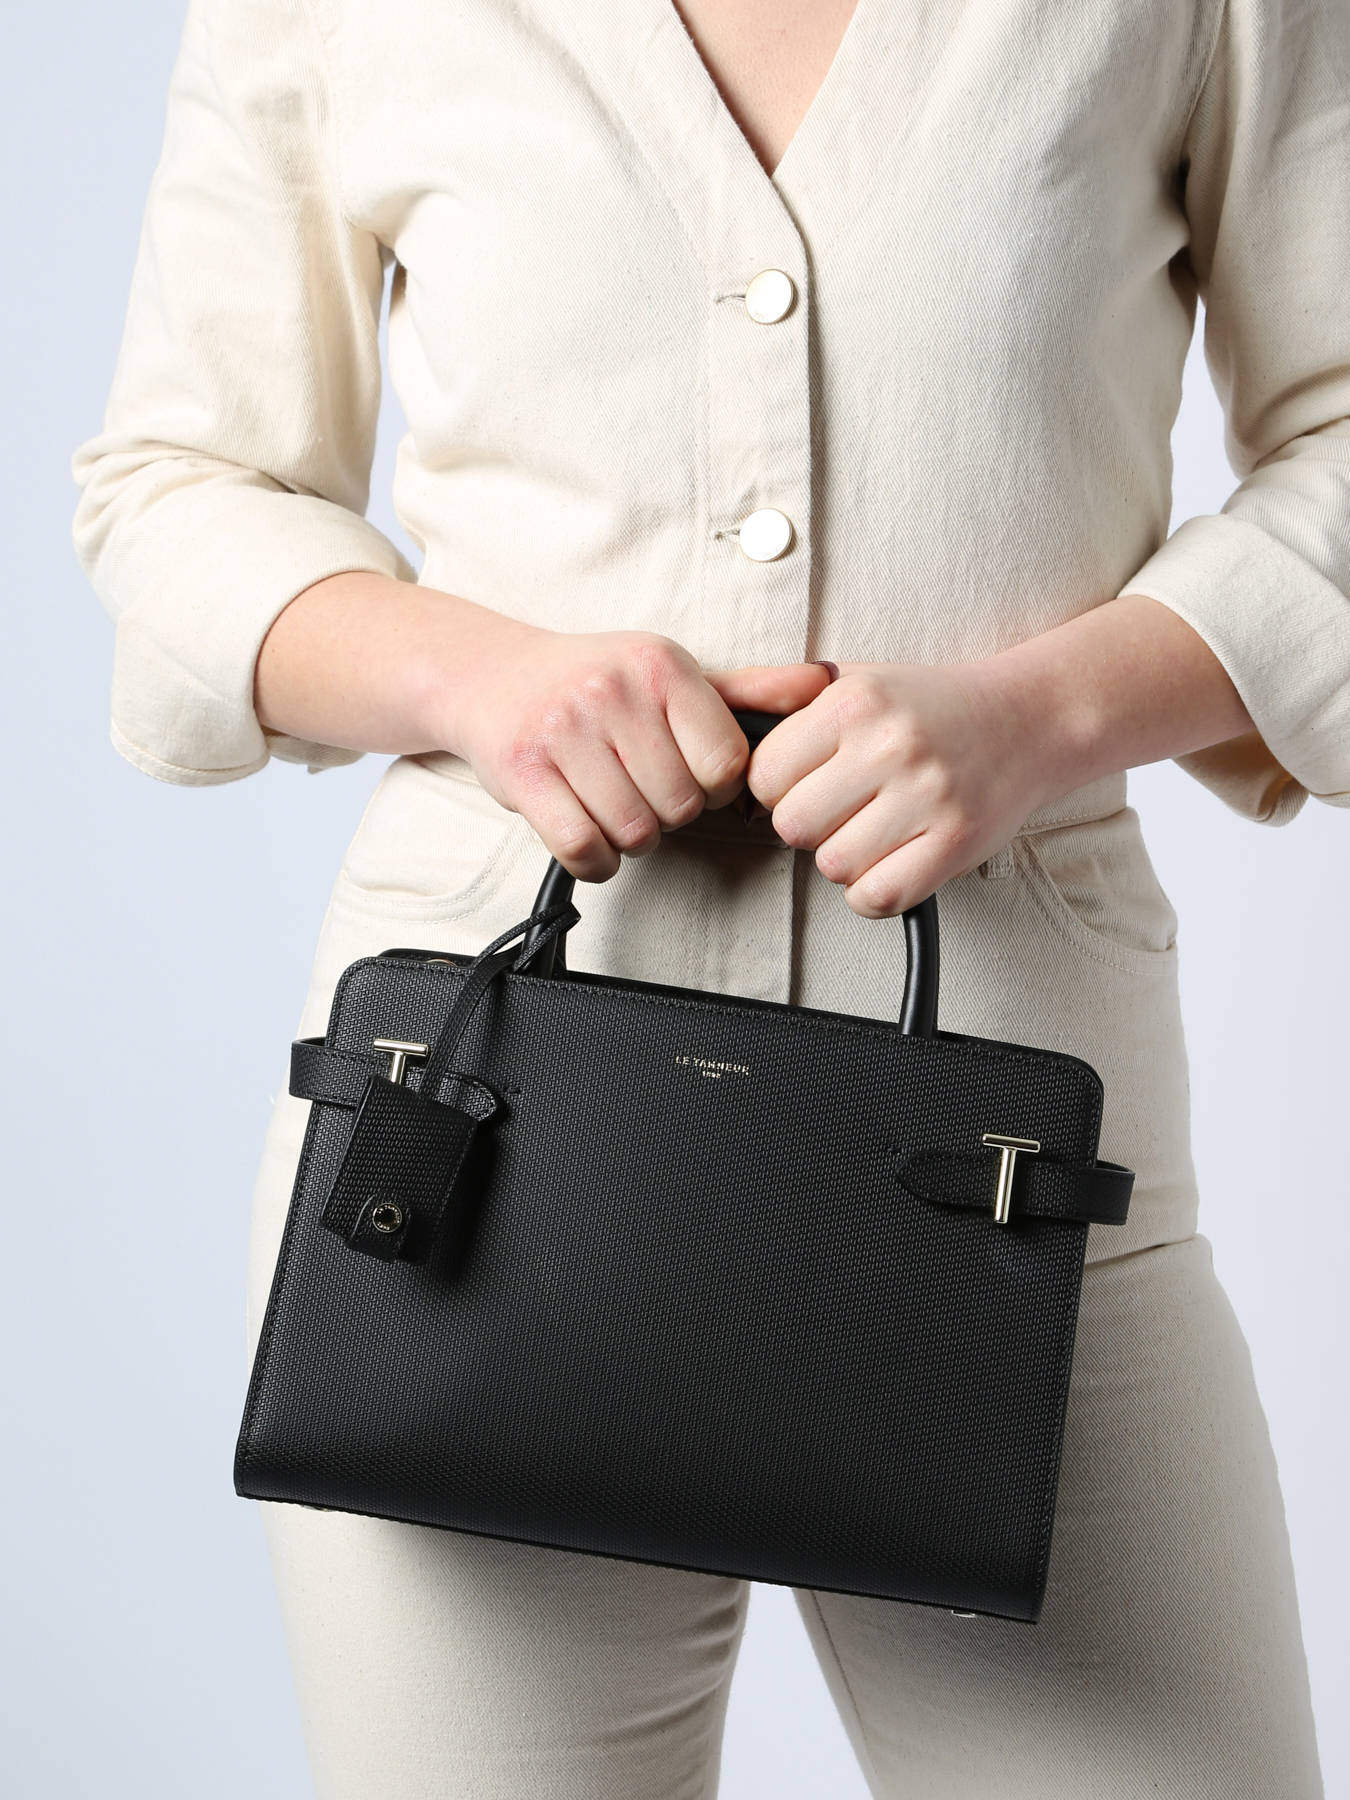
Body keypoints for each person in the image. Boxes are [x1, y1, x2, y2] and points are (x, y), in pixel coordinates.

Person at [70, 0, 1347, 1792]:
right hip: (462, 1183)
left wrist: (1045, 714)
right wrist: (481, 681)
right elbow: (175, 489)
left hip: (1024, 1173)